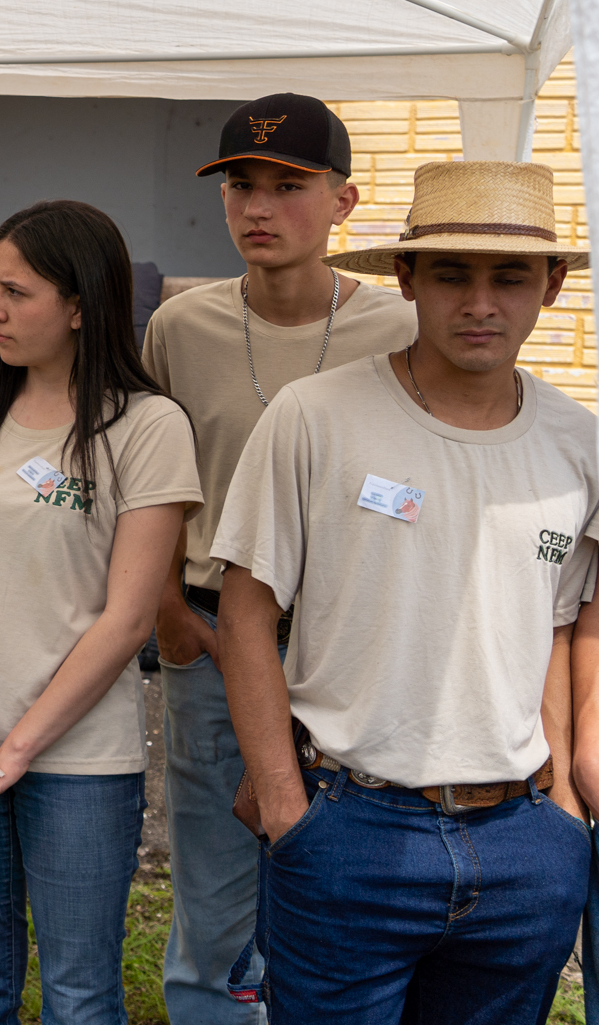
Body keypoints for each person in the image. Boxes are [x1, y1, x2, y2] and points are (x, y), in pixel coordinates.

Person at [215, 160, 596, 1022]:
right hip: (349, 828)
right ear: (409, 277)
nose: (481, 303)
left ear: (551, 284)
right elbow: (245, 612)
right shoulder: (315, 416)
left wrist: (563, 817)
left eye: (510, 278)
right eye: (452, 274)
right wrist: (283, 800)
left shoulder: (579, 445)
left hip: (524, 845)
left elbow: (558, 625)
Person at [139, 93, 415, 1021]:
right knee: (215, 888)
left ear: (344, 200)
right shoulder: (181, 327)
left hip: (355, 642)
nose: (258, 208)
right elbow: (152, 485)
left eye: (288, 185)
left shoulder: (400, 330)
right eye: (240, 186)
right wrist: (172, 620)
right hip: (216, 637)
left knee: (351, 873)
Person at [0, 199, 201, 1024]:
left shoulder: (146, 427)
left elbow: (127, 618)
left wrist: (18, 750)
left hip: (79, 764)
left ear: (79, 305)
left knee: (78, 997)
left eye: (16, 292)